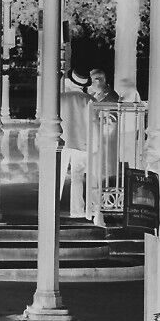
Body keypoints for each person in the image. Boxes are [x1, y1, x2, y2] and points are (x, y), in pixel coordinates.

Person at [86, 68, 117, 227]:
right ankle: (94, 210)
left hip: (104, 144)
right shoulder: (95, 96)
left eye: (96, 79)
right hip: (95, 143)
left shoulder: (110, 97)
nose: (93, 83)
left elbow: (111, 123)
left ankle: (100, 212)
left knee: (100, 179)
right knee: (94, 178)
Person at [59, 65, 91, 219]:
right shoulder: (90, 100)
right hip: (82, 142)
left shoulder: (61, 98)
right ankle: (77, 210)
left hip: (62, 141)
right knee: (77, 177)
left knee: (58, 174)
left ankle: (52, 206)